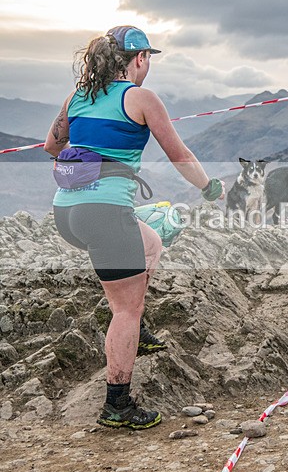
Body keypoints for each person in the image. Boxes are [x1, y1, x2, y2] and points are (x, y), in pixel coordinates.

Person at [44, 25, 225, 430]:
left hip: (66, 212)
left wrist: (89, 158)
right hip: (105, 213)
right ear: (140, 59)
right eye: (149, 59)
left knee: (152, 244)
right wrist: (210, 187)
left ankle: (134, 330)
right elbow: (179, 155)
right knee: (125, 308)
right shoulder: (140, 97)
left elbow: (52, 146)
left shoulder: (79, 95)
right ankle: (118, 404)